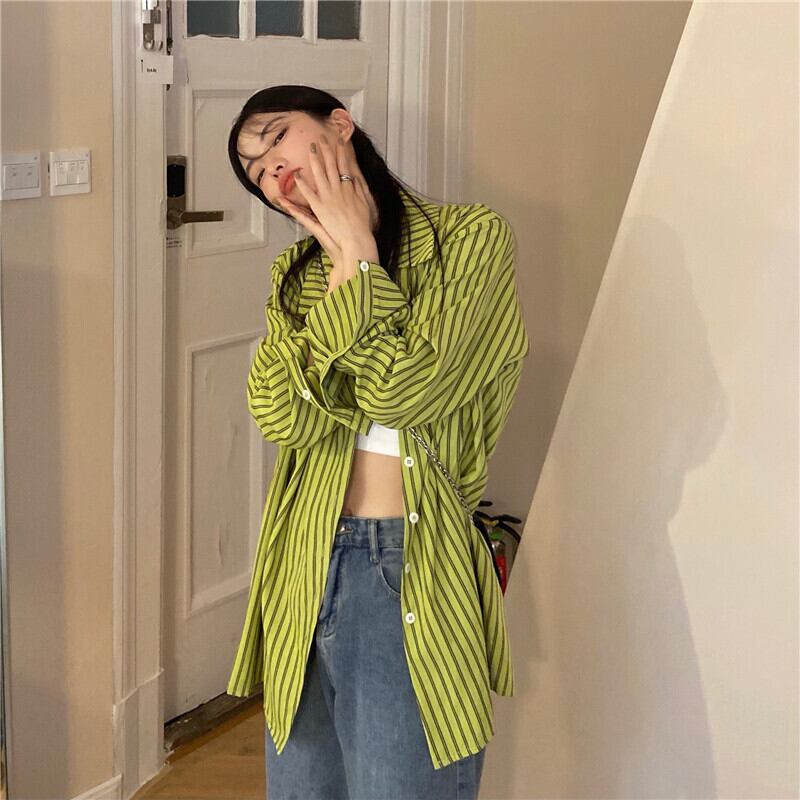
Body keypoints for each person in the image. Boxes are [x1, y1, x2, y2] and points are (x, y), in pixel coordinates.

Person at [225, 85, 530, 800]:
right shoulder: (293, 277)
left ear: (340, 124)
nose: (273, 170)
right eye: (257, 171)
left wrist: (358, 258)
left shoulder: (470, 239)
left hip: (407, 563)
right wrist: (340, 263)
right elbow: (282, 416)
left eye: (276, 138)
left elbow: (407, 392)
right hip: (303, 557)